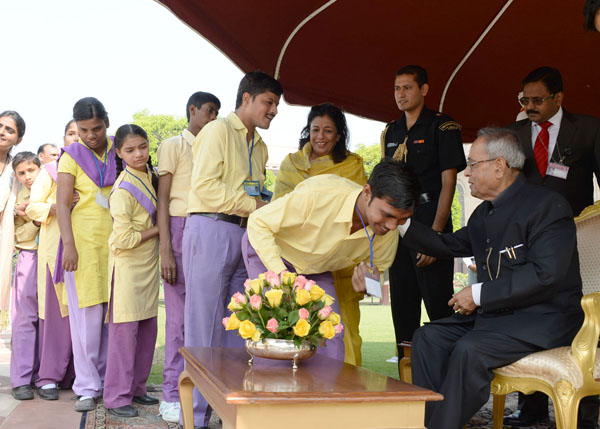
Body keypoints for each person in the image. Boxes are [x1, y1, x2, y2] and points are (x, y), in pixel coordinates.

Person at [389, 127, 584, 429]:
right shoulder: (484, 214)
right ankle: (429, 423)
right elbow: (447, 245)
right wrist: (399, 220)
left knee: (471, 350)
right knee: (428, 337)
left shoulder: (548, 206)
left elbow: (546, 275)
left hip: (544, 319)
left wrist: (478, 294)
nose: (466, 173)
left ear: (499, 166)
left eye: (472, 164)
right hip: (498, 318)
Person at [182, 70, 283, 428]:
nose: (273, 110)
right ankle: (194, 418)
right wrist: (255, 206)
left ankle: (230, 414)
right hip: (210, 227)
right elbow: (206, 188)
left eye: (276, 104)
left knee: (238, 329)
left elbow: (255, 192)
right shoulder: (217, 131)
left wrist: (266, 206)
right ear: (246, 99)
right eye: (268, 102)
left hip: (244, 234)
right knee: (202, 330)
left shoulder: (261, 145)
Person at [244, 160, 417, 362]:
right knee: (276, 328)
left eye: (402, 219)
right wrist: (284, 280)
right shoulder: (319, 193)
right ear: (368, 192)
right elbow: (258, 222)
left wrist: (368, 283)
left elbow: (375, 270)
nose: (392, 226)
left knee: (331, 334)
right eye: (387, 215)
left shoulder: (389, 232)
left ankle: (324, 392)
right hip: (273, 251)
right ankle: (271, 392)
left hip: (316, 269)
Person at [505, 66, 600, 428]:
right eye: (523, 100)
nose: (529, 106)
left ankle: (586, 408)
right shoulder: (513, 134)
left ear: (558, 98)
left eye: (537, 100)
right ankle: (529, 409)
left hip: (577, 244)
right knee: (528, 316)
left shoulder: (588, 129)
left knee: (580, 317)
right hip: (526, 243)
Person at [380, 65, 466, 357]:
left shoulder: (442, 127)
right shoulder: (391, 131)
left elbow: (449, 182)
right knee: (402, 305)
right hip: (398, 224)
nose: (401, 94)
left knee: (439, 305)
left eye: (407, 88)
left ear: (424, 90)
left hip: (431, 216)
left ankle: (445, 382)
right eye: (396, 88)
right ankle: (406, 384)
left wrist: (436, 235)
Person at [273, 102, 367, 365]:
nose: (321, 137)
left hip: (339, 261)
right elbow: (278, 208)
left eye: (328, 131)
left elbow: (362, 213)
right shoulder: (291, 164)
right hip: (297, 257)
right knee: (298, 324)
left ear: (338, 136)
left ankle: (346, 388)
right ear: (308, 131)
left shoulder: (352, 165)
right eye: (316, 130)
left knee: (343, 325)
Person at [156, 91, 220, 423]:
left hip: (210, 227)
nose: (213, 117)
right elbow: (163, 199)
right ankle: (171, 393)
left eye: (217, 113)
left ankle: (207, 397)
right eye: (209, 111)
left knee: (208, 320)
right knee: (179, 320)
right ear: (192, 110)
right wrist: (166, 248)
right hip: (180, 228)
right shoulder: (173, 145)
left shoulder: (217, 145)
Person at [56, 97, 115, 412]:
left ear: (108, 121)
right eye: (84, 130)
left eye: (97, 128)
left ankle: (110, 382)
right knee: (87, 325)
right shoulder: (71, 156)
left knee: (113, 320)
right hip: (82, 249)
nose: (91, 136)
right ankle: (87, 387)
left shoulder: (120, 149)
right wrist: (68, 245)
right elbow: (63, 205)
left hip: (117, 248)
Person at [103, 124, 160, 417]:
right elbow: (123, 239)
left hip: (148, 266)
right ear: (119, 153)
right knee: (124, 335)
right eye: (130, 150)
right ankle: (116, 397)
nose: (138, 154)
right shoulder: (123, 188)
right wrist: (157, 229)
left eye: (143, 147)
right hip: (127, 268)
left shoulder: (150, 175)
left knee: (148, 331)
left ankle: (138, 388)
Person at [27, 145, 79, 400]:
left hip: (86, 250)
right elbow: (32, 207)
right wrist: (56, 207)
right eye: (71, 135)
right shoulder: (50, 171)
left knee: (82, 316)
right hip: (55, 251)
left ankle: (74, 375)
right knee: (56, 313)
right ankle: (48, 376)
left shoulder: (96, 171)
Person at [10, 152, 41, 400]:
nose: (27, 176)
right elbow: (20, 236)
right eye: (21, 173)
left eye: (31, 170)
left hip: (55, 257)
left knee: (50, 321)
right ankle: (21, 380)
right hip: (29, 257)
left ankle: (45, 376)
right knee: (24, 319)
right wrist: (36, 220)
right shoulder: (16, 198)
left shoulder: (51, 188)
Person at [0, 111, 25, 330]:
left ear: (18, 139)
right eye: (0, 126)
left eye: (9, 129)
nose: (2, 132)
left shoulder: (14, 170)